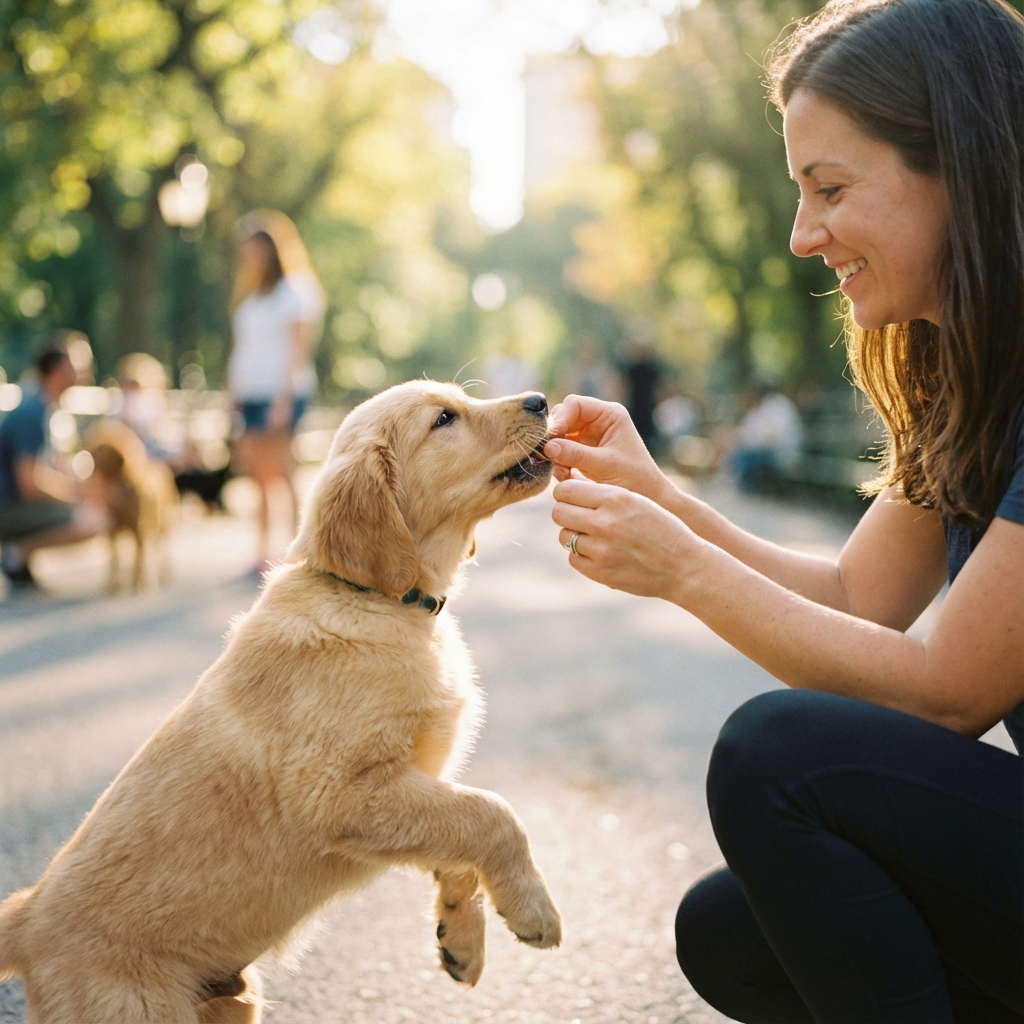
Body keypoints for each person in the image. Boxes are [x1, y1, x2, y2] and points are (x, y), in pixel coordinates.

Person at [543, 0, 1023, 1020]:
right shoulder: (965, 374)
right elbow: (858, 595)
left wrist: (677, 566)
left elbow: (946, 694)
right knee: (735, 934)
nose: (804, 236)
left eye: (830, 189)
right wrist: (657, 497)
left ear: (960, 167)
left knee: (778, 759)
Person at [227, 219, 324, 571]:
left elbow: (297, 350)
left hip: (281, 393)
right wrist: (233, 390)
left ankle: (303, 549)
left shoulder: (295, 290)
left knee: (284, 470)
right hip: (250, 393)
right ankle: (263, 550)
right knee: (259, 474)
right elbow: (244, 348)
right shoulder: (251, 296)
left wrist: (284, 399)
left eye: (255, 248)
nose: (250, 256)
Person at [0, 345, 109, 588]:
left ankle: (19, 557)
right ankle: (15, 553)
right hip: (7, 506)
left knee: (90, 510)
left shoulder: (45, 406)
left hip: (12, 502)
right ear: (58, 370)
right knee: (93, 519)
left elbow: (48, 466)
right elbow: (29, 483)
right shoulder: (31, 411)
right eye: (77, 366)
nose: (86, 371)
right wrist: (75, 494)